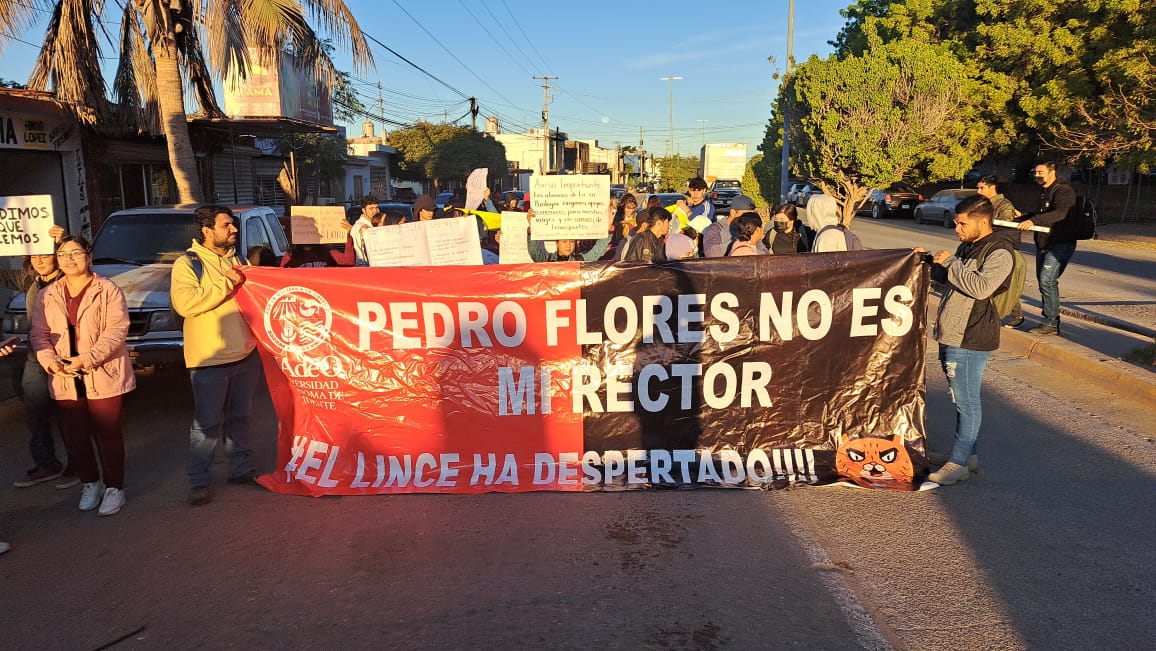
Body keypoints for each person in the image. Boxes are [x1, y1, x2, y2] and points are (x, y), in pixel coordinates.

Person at [30, 235, 136, 515]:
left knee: (108, 433)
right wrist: (49, 360)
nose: (69, 259)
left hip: (102, 372)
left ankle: (115, 487)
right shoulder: (48, 294)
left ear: (89, 257)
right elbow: (39, 335)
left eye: (76, 253)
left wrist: (86, 359)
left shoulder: (107, 289)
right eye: (63, 254)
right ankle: (91, 482)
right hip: (64, 375)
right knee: (75, 436)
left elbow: (116, 331)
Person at [171, 205, 263, 506]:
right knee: (207, 424)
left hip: (245, 354)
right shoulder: (187, 264)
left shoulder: (238, 258)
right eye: (226, 225)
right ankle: (199, 480)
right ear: (207, 231)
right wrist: (228, 280)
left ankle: (241, 469)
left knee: (240, 418)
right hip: (209, 360)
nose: (233, 229)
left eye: (233, 224)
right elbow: (186, 305)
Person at [925, 195, 1013, 485]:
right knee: (959, 397)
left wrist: (950, 262)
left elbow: (980, 288)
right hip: (951, 332)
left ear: (982, 221)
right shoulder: (968, 246)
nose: (956, 228)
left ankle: (959, 462)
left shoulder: (1000, 252)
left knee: (967, 401)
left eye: (962, 223)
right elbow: (952, 282)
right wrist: (930, 263)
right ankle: (966, 456)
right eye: (955, 223)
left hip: (971, 335)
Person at [13, 227, 78, 490]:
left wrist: (62, 239)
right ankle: (47, 463)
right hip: (35, 355)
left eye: (46, 254)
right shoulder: (28, 280)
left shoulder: (69, 278)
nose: (39, 259)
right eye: (34, 255)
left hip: (65, 355)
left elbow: (76, 257)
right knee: (36, 412)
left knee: (68, 413)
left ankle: (78, 465)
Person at [1017, 162, 1077, 335]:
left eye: (1041, 172)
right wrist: (1024, 216)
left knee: (1047, 280)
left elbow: (1060, 213)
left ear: (1052, 172)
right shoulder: (1044, 192)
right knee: (1045, 283)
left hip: (1060, 243)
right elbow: (1042, 215)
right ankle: (1050, 319)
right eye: (1035, 172)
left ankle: (1050, 322)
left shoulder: (1064, 191)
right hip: (1043, 243)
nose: (1037, 175)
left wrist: (1033, 221)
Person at [977, 175, 1024, 327]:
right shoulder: (982, 203)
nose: (978, 191)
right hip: (984, 246)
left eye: (982, 188)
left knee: (1004, 283)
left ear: (992, 187)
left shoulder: (1004, 205)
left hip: (1000, 247)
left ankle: (1016, 315)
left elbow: (1005, 228)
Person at [526, 202, 615, 262]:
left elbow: (597, 252)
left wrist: (607, 229)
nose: (568, 245)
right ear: (557, 243)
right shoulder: (547, 260)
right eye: (564, 241)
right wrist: (532, 227)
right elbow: (534, 252)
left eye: (572, 241)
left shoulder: (579, 260)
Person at [702, 195, 767, 257]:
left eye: (750, 215)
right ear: (733, 212)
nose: (748, 218)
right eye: (745, 214)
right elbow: (710, 253)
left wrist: (752, 242)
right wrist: (740, 242)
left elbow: (764, 254)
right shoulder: (716, 228)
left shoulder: (749, 228)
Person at [281, 219, 355, 268]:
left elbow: (348, 263)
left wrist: (348, 237)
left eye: (312, 231)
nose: (308, 233)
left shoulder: (328, 252)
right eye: (305, 230)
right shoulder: (290, 257)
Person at [349, 195, 381, 266]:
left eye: (376, 208)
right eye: (371, 208)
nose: (375, 211)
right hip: (364, 266)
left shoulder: (378, 223)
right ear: (364, 210)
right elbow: (360, 251)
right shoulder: (359, 226)